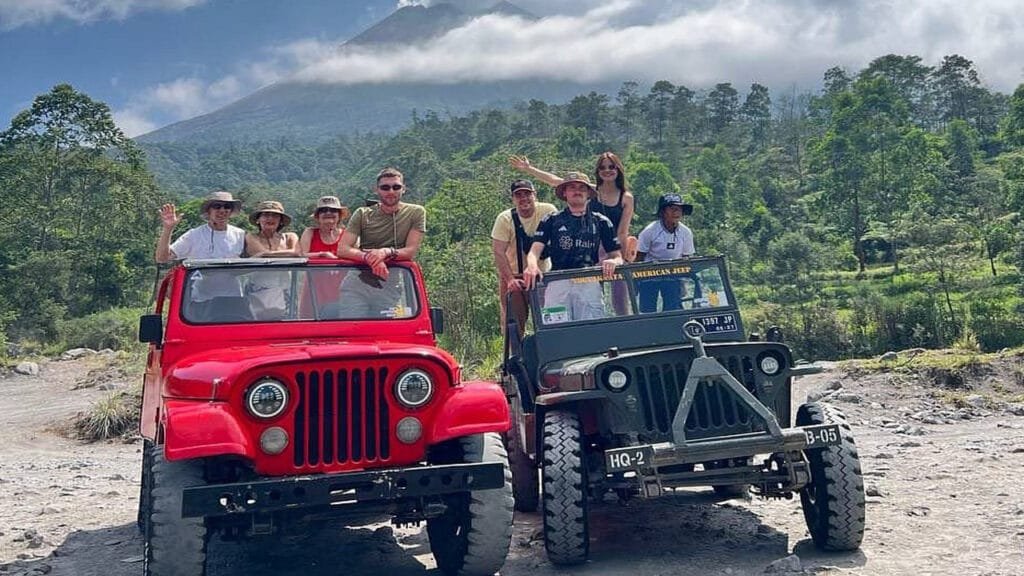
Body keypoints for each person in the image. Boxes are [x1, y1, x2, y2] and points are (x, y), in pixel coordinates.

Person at [522, 172, 623, 322]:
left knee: (592, 330)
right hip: (558, 281)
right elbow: (535, 250)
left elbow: (617, 256)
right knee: (555, 331)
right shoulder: (551, 219)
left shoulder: (601, 221)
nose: (577, 191)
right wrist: (531, 266)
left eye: (582, 188)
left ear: (589, 193)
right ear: (564, 192)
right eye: (572, 187)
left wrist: (613, 262)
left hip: (588, 280)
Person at [510, 151, 635, 261]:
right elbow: (555, 181)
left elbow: (622, 232)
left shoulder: (626, 197)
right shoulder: (589, 190)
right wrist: (529, 168)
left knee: (620, 287)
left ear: (618, 169)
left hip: (613, 246)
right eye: (602, 167)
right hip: (590, 244)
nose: (607, 170)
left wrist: (621, 260)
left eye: (611, 167)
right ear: (598, 171)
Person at [335, 167, 426, 317]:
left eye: (396, 187)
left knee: (386, 336)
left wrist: (385, 252)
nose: (391, 191)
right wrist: (371, 258)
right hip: (356, 284)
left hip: (389, 285)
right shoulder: (363, 214)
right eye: (385, 187)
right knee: (353, 332)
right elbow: (342, 249)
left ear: (403, 189)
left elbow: (411, 251)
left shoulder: (416, 213)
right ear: (376, 190)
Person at [154, 190, 247, 321]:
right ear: (209, 211)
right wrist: (168, 229)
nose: (222, 210)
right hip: (200, 301)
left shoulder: (240, 235)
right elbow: (162, 257)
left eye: (227, 207)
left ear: (231, 211)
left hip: (233, 299)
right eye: (217, 206)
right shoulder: (194, 235)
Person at [491, 179, 558, 335]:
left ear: (534, 195)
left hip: (543, 277)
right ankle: (516, 357)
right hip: (515, 277)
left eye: (527, 194)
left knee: (550, 321)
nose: (524, 199)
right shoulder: (505, 219)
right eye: (518, 195)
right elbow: (498, 251)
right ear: (513, 199)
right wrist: (509, 280)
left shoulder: (548, 211)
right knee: (513, 325)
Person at [636, 193, 696, 313]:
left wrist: (683, 282)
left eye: (679, 209)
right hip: (649, 275)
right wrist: (636, 282)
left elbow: (686, 258)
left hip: (673, 275)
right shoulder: (650, 231)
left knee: (673, 309)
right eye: (672, 209)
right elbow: (639, 258)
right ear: (663, 211)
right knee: (647, 310)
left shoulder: (686, 232)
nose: (677, 212)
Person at [244, 200, 299, 320]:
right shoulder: (251, 236)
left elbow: (297, 253)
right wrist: (265, 255)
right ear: (258, 219)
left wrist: (264, 254)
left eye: (275, 215)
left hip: (286, 292)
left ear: (281, 220)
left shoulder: (290, 237)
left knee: (287, 328)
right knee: (257, 327)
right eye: (266, 215)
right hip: (258, 291)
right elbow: (262, 255)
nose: (270, 218)